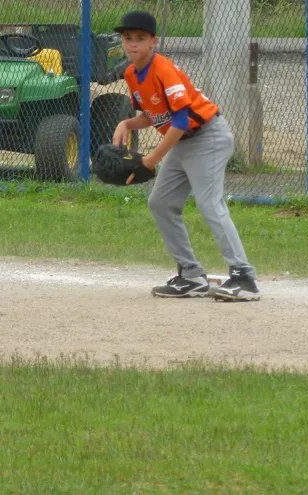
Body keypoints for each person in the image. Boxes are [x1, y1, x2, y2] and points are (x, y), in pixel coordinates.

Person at [111, 11, 260, 301]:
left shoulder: (163, 68)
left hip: (208, 136)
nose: (133, 44)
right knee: (161, 202)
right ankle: (191, 276)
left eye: (140, 39)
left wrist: (152, 159)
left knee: (209, 203)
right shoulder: (131, 74)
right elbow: (155, 115)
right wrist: (127, 123)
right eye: (128, 39)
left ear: (154, 41)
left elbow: (181, 119)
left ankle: (244, 277)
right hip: (182, 140)